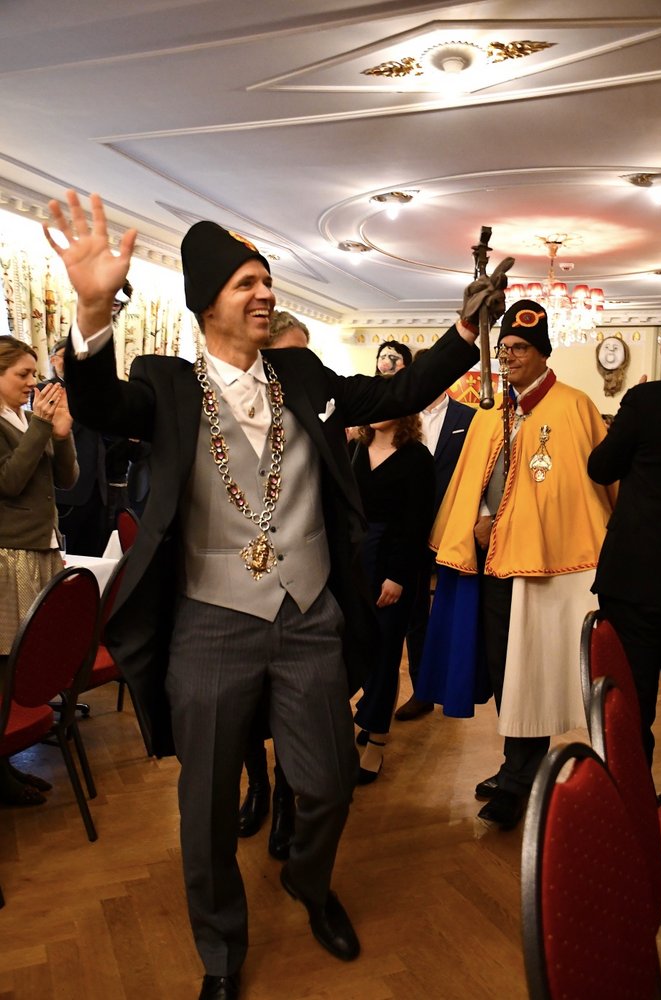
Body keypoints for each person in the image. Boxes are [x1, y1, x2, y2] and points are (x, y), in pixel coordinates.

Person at [43, 189, 505, 1000]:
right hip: (211, 622)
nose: (263, 293)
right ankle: (221, 952)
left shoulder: (301, 373)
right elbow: (100, 404)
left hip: (309, 614)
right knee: (206, 805)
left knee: (326, 783)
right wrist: (90, 311)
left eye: (265, 279)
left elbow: (394, 396)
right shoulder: (164, 383)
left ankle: (307, 880)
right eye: (244, 283)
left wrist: (464, 334)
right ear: (206, 304)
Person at [421, 300, 615, 831]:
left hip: (548, 565)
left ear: (543, 353)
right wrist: (482, 517)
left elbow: (590, 487)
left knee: (532, 669)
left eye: (520, 349)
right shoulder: (489, 411)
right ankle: (517, 765)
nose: (508, 357)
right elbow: (477, 482)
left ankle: (521, 778)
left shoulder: (575, 407)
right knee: (504, 667)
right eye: (504, 348)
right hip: (491, 564)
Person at [237, 310, 308, 860]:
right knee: (246, 707)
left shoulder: (311, 409)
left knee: (289, 709)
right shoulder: (226, 406)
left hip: (301, 588)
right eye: (291, 355)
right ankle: (257, 787)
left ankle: (286, 797)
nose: (302, 366)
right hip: (240, 588)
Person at [0, 336, 78, 805]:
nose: (33, 383)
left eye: (34, 373)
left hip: (41, 549)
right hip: (9, 555)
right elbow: (9, 482)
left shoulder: (29, 420)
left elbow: (66, 480)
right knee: (4, 664)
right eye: (22, 374)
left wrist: (61, 434)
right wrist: (41, 427)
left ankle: (6, 764)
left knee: (22, 661)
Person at [588, 318, 661, 766]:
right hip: (640, 578)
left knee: (633, 702)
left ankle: (636, 798)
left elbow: (601, 468)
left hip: (637, 576)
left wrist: (626, 418)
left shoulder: (646, 400)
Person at [351, 410, 435, 781]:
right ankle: (368, 716)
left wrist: (398, 576)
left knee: (385, 653)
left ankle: (376, 743)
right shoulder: (356, 449)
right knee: (357, 648)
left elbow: (416, 524)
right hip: (356, 562)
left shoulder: (417, 457)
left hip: (393, 564)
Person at [395, 362, 475, 722]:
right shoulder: (400, 416)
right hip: (409, 529)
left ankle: (455, 688)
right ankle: (422, 691)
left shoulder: (468, 418)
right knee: (414, 613)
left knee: (453, 609)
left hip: (453, 529)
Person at [47, 337, 109, 555]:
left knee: (93, 557)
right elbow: (58, 433)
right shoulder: (46, 390)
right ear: (54, 360)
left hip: (96, 489)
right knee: (67, 559)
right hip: (67, 492)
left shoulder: (94, 393)